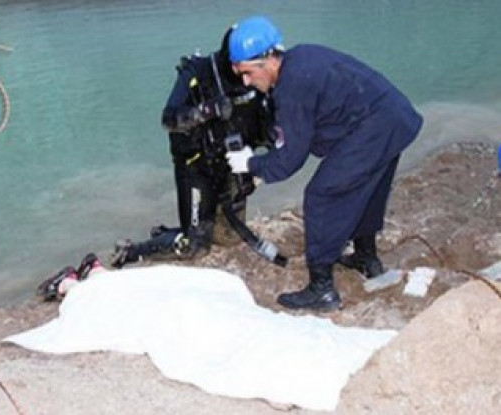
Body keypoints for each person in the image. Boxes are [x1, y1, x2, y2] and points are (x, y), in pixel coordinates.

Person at [225, 16, 423, 311]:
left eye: (247, 73)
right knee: (366, 187)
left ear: (268, 60)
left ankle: (322, 289)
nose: (246, 82)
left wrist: (251, 164)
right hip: (394, 116)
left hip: (376, 125)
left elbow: (289, 160)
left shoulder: (291, 87)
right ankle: (366, 258)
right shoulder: (302, 58)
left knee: (321, 195)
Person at [111, 27, 276, 268]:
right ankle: (130, 252)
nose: (245, 79)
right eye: (239, 68)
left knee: (228, 239)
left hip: (233, 163)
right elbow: (168, 119)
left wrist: (260, 168)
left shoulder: (263, 77)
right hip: (197, 165)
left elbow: (274, 133)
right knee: (195, 246)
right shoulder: (199, 72)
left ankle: (166, 233)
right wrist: (206, 111)